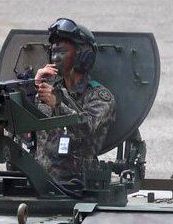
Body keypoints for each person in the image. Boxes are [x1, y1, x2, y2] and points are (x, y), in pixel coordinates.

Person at [29, 17, 116, 193]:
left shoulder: (100, 97)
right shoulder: (49, 90)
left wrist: (57, 105)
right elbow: (29, 130)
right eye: (53, 52)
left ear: (82, 55)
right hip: (40, 186)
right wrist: (32, 87)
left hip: (77, 189)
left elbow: (86, 127)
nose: (55, 57)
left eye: (62, 52)